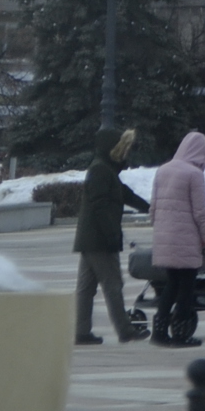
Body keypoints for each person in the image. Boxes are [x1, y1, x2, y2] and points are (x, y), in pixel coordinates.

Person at [72, 126, 149, 346]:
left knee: (86, 288)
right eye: (123, 149)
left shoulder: (105, 169)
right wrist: (112, 234)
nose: (126, 153)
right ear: (113, 148)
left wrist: (148, 207)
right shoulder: (100, 170)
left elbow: (124, 194)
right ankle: (125, 330)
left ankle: (81, 331)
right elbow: (100, 207)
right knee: (113, 284)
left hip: (90, 239)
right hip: (100, 240)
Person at [147, 130, 205, 348]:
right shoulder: (194, 175)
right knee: (186, 288)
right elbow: (199, 213)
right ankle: (180, 333)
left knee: (171, 285)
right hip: (186, 241)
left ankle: (158, 332)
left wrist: (162, 229)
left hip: (165, 239)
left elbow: (153, 209)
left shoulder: (163, 169)